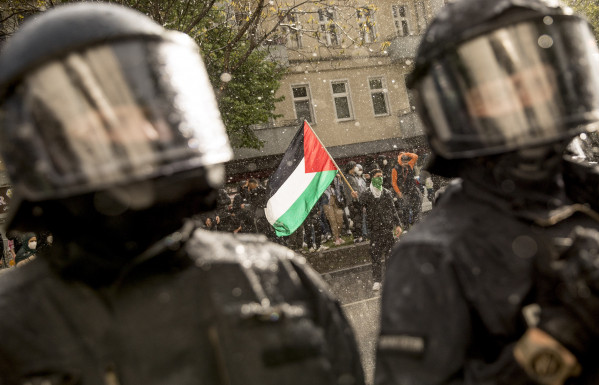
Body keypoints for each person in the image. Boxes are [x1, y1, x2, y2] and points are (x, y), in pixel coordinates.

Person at [0, 4, 364, 384]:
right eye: (99, 125)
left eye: (144, 114)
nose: (135, 136)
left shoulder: (275, 278)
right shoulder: (11, 320)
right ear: (46, 144)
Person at [374, 1, 599, 384]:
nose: (530, 96)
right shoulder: (433, 254)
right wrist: (557, 340)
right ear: (461, 107)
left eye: (539, 77)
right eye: (504, 86)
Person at [356, 169, 402, 291]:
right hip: (375, 230)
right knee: (376, 256)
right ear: (372, 178)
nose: (380, 178)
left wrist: (398, 225)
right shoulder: (366, 194)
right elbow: (358, 208)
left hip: (387, 228)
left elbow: (393, 210)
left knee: (389, 255)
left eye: (381, 176)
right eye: (377, 176)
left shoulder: (386, 193)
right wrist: (356, 199)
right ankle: (377, 280)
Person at [391, 152, 421, 228]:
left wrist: (406, 153)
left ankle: (416, 225)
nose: (405, 163)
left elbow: (415, 156)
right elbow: (394, 183)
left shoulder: (410, 165)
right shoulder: (395, 169)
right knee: (405, 210)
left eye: (407, 161)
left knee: (416, 209)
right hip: (403, 192)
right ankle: (406, 226)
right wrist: (398, 192)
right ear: (400, 161)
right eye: (403, 162)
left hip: (413, 190)